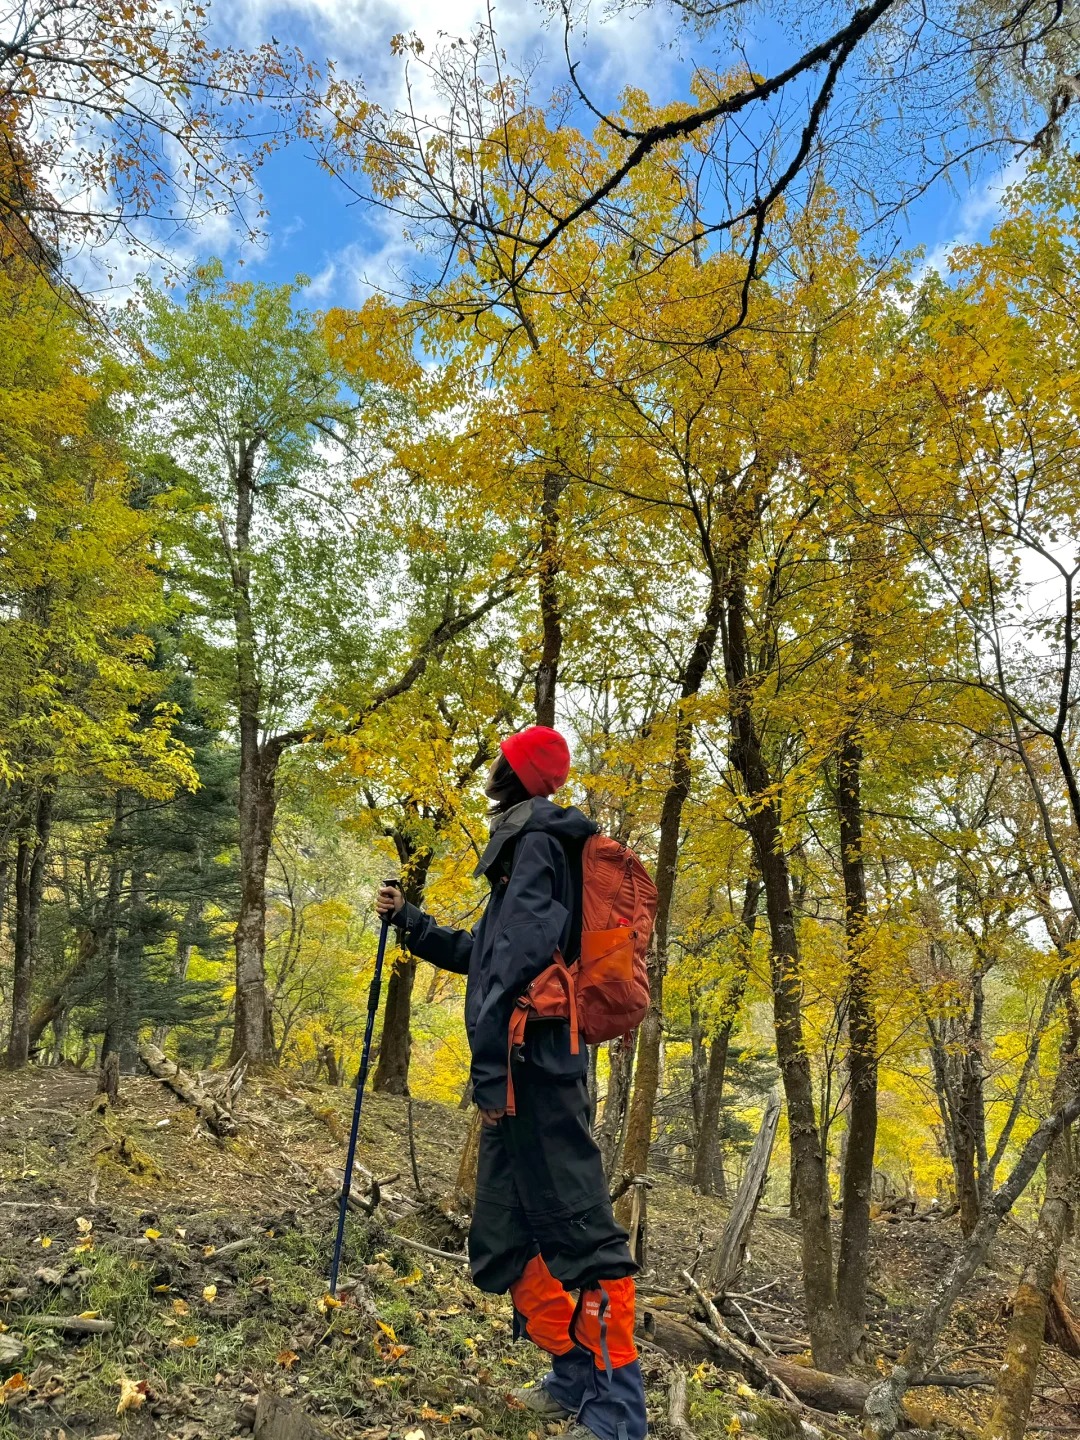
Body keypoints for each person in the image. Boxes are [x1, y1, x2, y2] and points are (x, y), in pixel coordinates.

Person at [375, 725, 648, 1440]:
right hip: (523, 1071)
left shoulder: (536, 844)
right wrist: (412, 924)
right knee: (505, 1233)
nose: (492, 765)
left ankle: (618, 1413)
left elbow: (516, 966)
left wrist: (494, 1067)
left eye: (502, 757)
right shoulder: (529, 847)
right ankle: (570, 1376)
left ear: (513, 772)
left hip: (539, 1070)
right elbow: (490, 953)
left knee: (582, 1234)